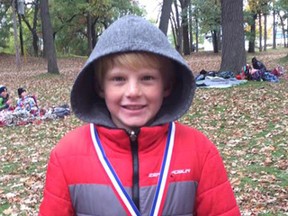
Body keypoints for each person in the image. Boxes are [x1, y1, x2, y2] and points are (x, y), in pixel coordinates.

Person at [39, 15, 240, 215]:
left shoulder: (199, 152)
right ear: (100, 87)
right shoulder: (66, 155)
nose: (133, 92)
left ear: (167, 85)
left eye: (147, 78)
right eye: (118, 79)